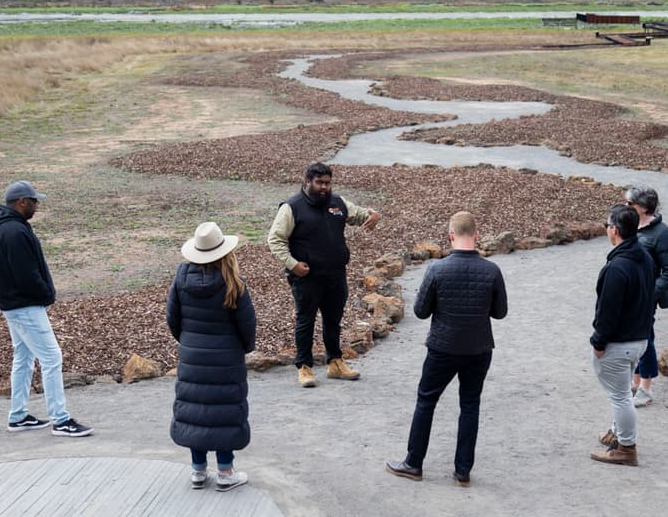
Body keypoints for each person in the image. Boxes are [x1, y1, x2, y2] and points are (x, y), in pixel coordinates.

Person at [386, 211, 507, 487]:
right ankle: (463, 470)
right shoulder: (491, 271)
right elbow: (500, 312)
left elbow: (420, 311)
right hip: (479, 347)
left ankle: (413, 463)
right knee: (470, 405)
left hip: (443, 346)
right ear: (476, 235)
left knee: (426, 401)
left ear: (450, 235)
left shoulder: (437, 270)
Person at [0, 180, 93, 437]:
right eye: (34, 200)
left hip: (14, 305)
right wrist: (46, 293)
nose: (37, 204)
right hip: (25, 306)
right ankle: (61, 419)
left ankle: (18, 415)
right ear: (22, 202)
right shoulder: (15, 232)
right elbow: (26, 274)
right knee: (51, 357)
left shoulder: (6, 228)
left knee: (23, 358)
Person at [267, 162, 381, 388]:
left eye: (327, 183)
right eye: (319, 182)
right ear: (307, 182)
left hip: (336, 274)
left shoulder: (337, 203)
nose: (324, 187)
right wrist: (292, 264)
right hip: (306, 277)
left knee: (333, 320)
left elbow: (359, 215)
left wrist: (374, 214)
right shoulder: (291, 207)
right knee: (305, 321)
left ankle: (335, 362)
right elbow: (275, 239)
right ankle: (304, 367)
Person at [167, 222, 256, 492]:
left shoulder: (181, 276)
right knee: (224, 413)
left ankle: (197, 470)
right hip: (226, 358)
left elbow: (173, 318)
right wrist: (243, 349)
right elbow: (247, 325)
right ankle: (226, 472)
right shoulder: (233, 282)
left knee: (197, 411)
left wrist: (189, 342)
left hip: (192, 355)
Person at [590, 204, 655, 466]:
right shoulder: (644, 257)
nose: (606, 229)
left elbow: (608, 311)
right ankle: (617, 434)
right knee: (622, 391)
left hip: (620, 342)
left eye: (607, 225)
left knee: (620, 396)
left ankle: (626, 448)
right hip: (639, 338)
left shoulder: (617, 267)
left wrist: (598, 342)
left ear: (615, 230)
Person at [625, 186, 668, 407]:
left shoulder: (662, 233)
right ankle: (636, 382)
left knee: (645, 338)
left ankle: (646, 388)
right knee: (634, 336)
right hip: (630, 293)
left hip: (646, 296)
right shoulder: (630, 225)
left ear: (644, 208)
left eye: (631, 204)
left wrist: (649, 294)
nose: (626, 207)